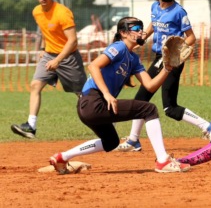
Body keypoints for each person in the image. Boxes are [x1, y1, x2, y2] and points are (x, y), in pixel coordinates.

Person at [49, 17, 190, 174]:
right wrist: (107, 94)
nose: (141, 31)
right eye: (136, 28)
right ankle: (163, 160)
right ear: (123, 33)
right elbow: (93, 66)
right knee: (149, 109)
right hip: (93, 101)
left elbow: (150, 86)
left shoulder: (134, 59)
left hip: (91, 107)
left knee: (111, 142)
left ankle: (63, 157)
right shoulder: (119, 47)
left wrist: (167, 68)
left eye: (141, 28)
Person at [115, 0, 211, 152]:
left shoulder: (178, 12)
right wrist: (141, 39)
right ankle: (134, 139)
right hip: (159, 57)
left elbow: (191, 38)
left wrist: (175, 53)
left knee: (169, 107)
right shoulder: (155, 7)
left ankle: (208, 126)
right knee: (141, 99)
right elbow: (154, 24)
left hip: (172, 60)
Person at [11, 0, 87, 138]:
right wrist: (43, 49)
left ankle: (107, 120)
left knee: (84, 95)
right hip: (49, 55)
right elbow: (48, 32)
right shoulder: (36, 12)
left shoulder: (63, 12)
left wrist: (58, 60)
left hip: (69, 58)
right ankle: (31, 126)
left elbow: (73, 40)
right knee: (35, 85)